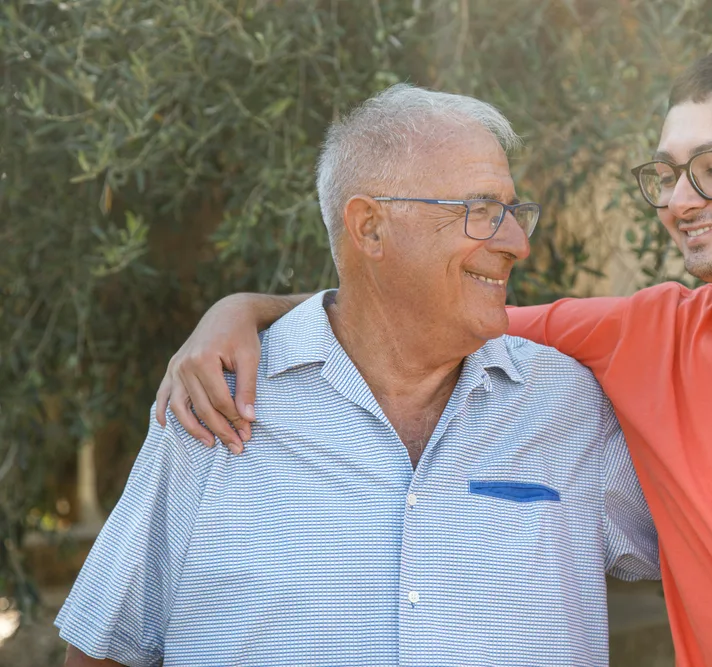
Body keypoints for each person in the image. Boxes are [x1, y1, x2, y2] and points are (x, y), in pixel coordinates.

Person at [159, 43, 712, 665]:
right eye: (666, 173)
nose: (680, 200)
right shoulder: (641, 335)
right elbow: (424, 307)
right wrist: (244, 311)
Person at [56, 85, 659, 667]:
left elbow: (711, 554)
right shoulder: (216, 404)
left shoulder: (570, 405)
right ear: (369, 227)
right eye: (480, 210)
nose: (517, 243)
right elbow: (105, 649)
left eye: (513, 212)